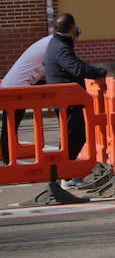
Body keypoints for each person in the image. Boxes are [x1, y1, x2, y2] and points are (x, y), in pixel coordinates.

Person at [44, 14, 108, 180]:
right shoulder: (60, 46)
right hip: (67, 100)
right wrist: (99, 72)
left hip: (66, 99)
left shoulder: (56, 43)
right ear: (72, 28)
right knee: (72, 137)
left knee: (74, 136)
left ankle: (66, 173)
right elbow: (76, 68)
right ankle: (64, 175)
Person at [1, 33, 52, 163]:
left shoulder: (48, 43)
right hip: (16, 89)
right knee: (11, 126)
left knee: (10, 126)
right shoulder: (54, 44)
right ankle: (8, 159)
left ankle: (8, 158)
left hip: (17, 85)